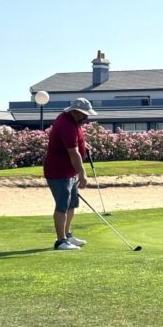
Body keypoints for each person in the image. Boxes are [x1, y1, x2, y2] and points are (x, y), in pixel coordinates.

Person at [43, 97, 97, 251]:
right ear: (74, 111)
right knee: (62, 206)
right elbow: (73, 153)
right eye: (83, 114)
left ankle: (67, 235)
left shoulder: (72, 122)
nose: (86, 117)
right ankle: (60, 241)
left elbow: (76, 143)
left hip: (69, 171)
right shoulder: (66, 124)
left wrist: (84, 145)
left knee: (71, 204)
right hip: (59, 171)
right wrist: (82, 172)